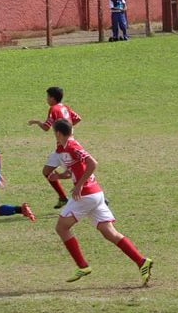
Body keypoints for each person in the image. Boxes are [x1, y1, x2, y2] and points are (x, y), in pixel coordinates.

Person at [50, 119, 152, 285]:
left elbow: (92, 163)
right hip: (96, 194)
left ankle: (82, 266)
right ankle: (141, 262)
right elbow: (76, 170)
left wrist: (79, 186)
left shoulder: (72, 146)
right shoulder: (67, 147)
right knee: (109, 232)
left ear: (58, 133)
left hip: (86, 195)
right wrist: (60, 176)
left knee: (61, 227)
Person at [28, 86, 82, 209]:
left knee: (76, 173)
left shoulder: (53, 108)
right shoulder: (65, 107)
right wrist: (67, 129)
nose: (46, 99)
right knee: (46, 171)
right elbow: (77, 118)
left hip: (65, 149)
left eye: (47, 97)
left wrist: (36, 122)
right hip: (61, 148)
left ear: (52, 98)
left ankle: (99, 198)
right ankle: (63, 198)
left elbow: (46, 127)